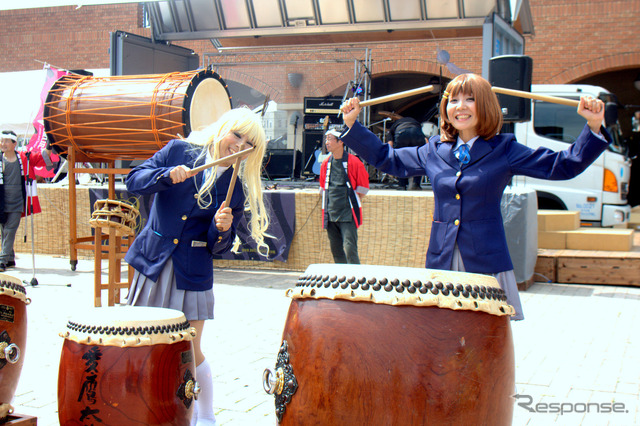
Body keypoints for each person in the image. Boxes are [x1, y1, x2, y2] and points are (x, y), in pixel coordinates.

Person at [340, 73, 611, 321]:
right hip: (441, 260)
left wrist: (594, 126)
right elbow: (388, 160)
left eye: (470, 99)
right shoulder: (434, 149)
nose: (461, 106)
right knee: (442, 336)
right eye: (454, 100)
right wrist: (353, 124)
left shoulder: (504, 149)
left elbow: (562, 165)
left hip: (486, 264)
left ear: (486, 106)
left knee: (484, 342)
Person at [124, 107, 270, 426]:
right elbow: (133, 180)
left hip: (193, 270)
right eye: (237, 134)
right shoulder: (179, 150)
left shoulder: (234, 186)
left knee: (188, 349)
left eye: (249, 143)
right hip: (154, 263)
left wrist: (221, 228)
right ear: (223, 129)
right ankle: (139, 408)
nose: (239, 144)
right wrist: (165, 175)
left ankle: (204, 417)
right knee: (140, 340)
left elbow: (217, 246)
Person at [0, 130, 58, 272]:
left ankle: (1, 260)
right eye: (2, 140)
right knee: (4, 231)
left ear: (14, 143)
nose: (3, 143)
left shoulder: (24, 157)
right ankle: (10, 259)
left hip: (17, 201)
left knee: (10, 229)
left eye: (7, 141)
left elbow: (42, 156)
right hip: (2, 201)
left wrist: (49, 145)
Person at [319, 129, 369, 264]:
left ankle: (355, 279)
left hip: (348, 212)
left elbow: (363, 187)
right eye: (326, 139)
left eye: (330, 139)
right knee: (335, 249)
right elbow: (323, 188)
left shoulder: (354, 162)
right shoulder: (325, 163)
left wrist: (352, 200)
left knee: (350, 248)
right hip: (331, 211)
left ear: (340, 142)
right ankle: (341, 279)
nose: (326, 142)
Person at [387, 117, 426, 190]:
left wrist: (391, 157)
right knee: (418, 158)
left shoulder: (394, 126)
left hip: (401, 133)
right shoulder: (415, 121)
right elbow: (424, 139)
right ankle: (416, 184)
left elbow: (390, 144)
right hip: (416, 132)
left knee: (400, 159)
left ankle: (402, 185)